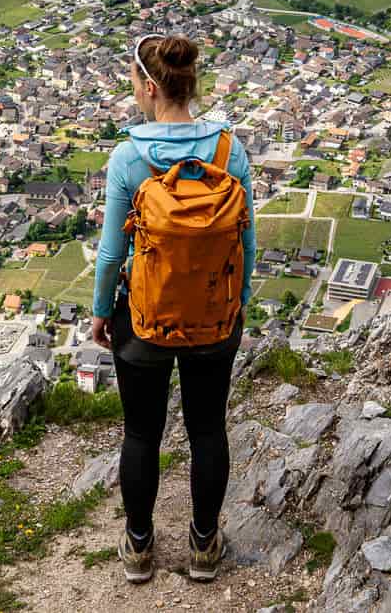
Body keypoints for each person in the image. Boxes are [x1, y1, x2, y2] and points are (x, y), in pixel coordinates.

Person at [90, 33, 256, 584]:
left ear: (150, 86)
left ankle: (139, 548)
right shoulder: (231, 152)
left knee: (142, 434)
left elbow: (114, 250)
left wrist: (99, 311)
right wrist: (240, 304)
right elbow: (246, 244)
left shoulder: (128, 156)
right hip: (214, 315)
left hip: (142, 317)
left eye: (134, 82)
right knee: (208, 429)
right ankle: (204, 546)